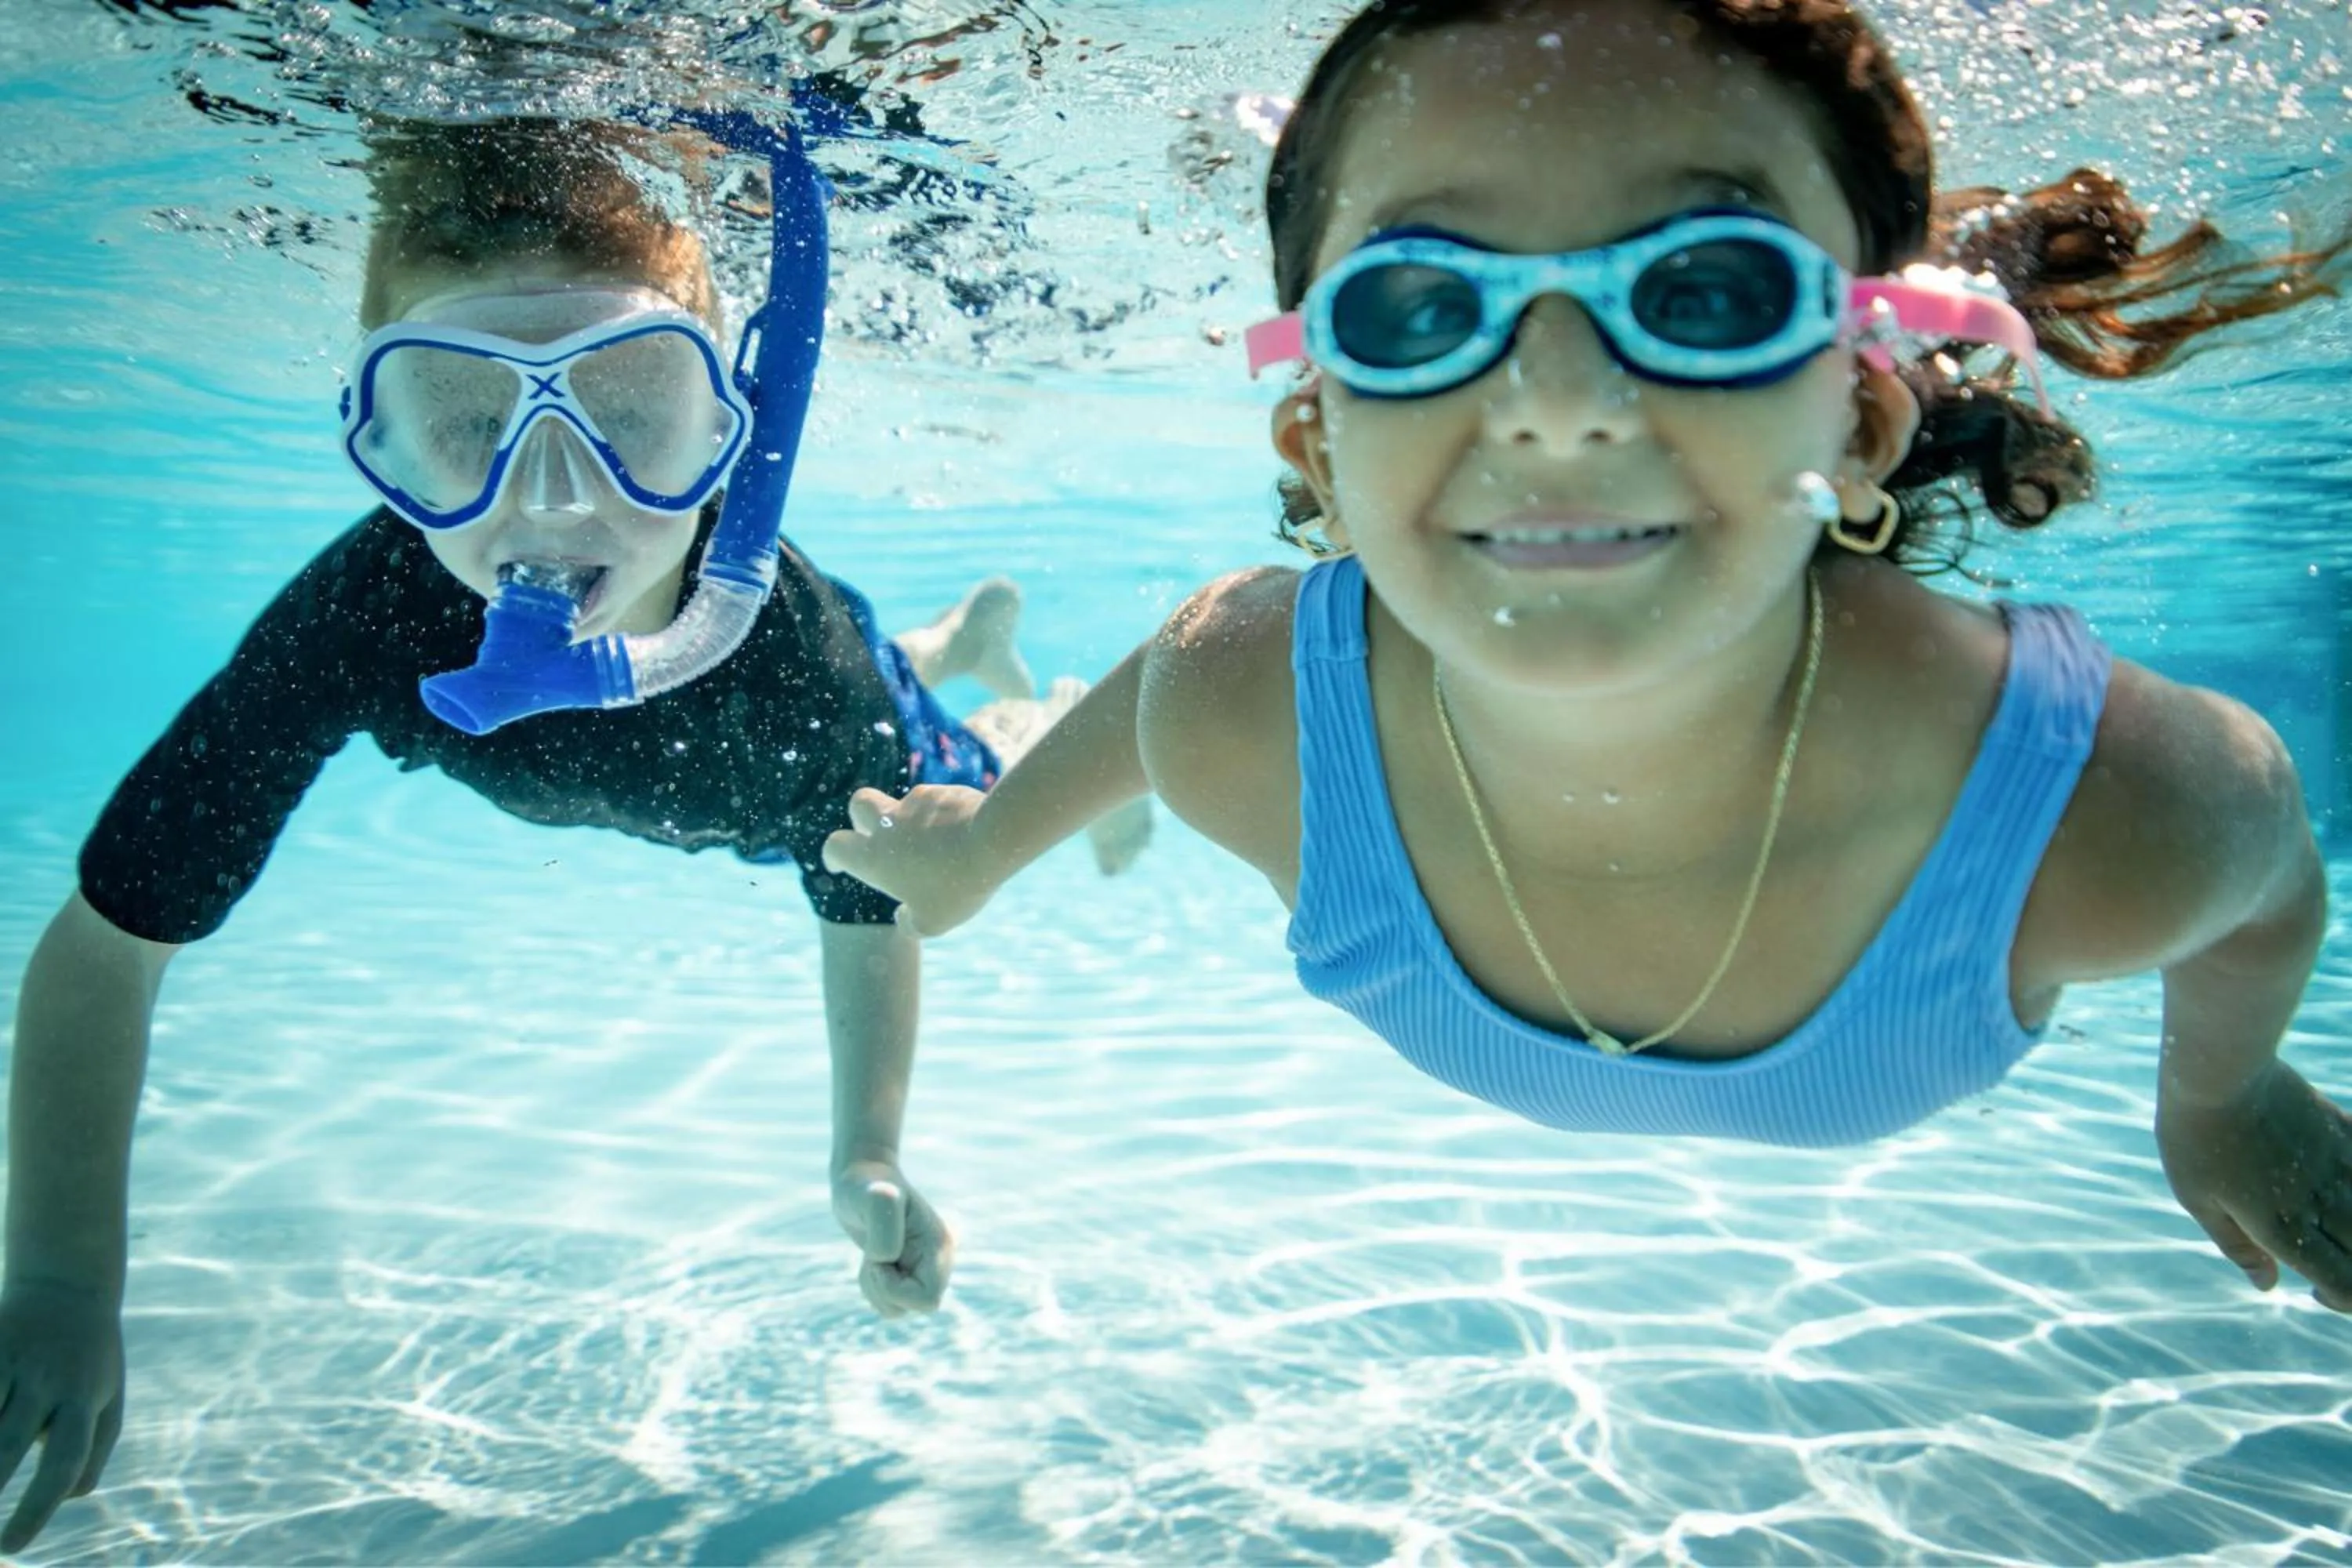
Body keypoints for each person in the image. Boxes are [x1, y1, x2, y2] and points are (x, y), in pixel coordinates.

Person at [824, 0, 2352, 1318]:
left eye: (1707, 294)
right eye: (1424, 307)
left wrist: (2221, 1094)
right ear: (1320, 437)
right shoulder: (1240, 702)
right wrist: (975, 859)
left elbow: (2271, 878)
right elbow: (1149, 701)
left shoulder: (2116, 812)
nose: (1559, 400)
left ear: (1867, 413)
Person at [0, 114, 1146, 1552]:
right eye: (466, 422)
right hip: (743, 745)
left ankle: (1057, 705)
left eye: (626, 411)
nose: (551, 496)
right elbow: (110, 949)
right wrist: (56, 1279)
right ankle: (962, 633)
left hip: (827, 726)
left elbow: (869, 904)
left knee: (969, 773)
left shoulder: (799, 668)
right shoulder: (360, 616)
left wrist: (866, 1149)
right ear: (379, 440)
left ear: (725, 432)